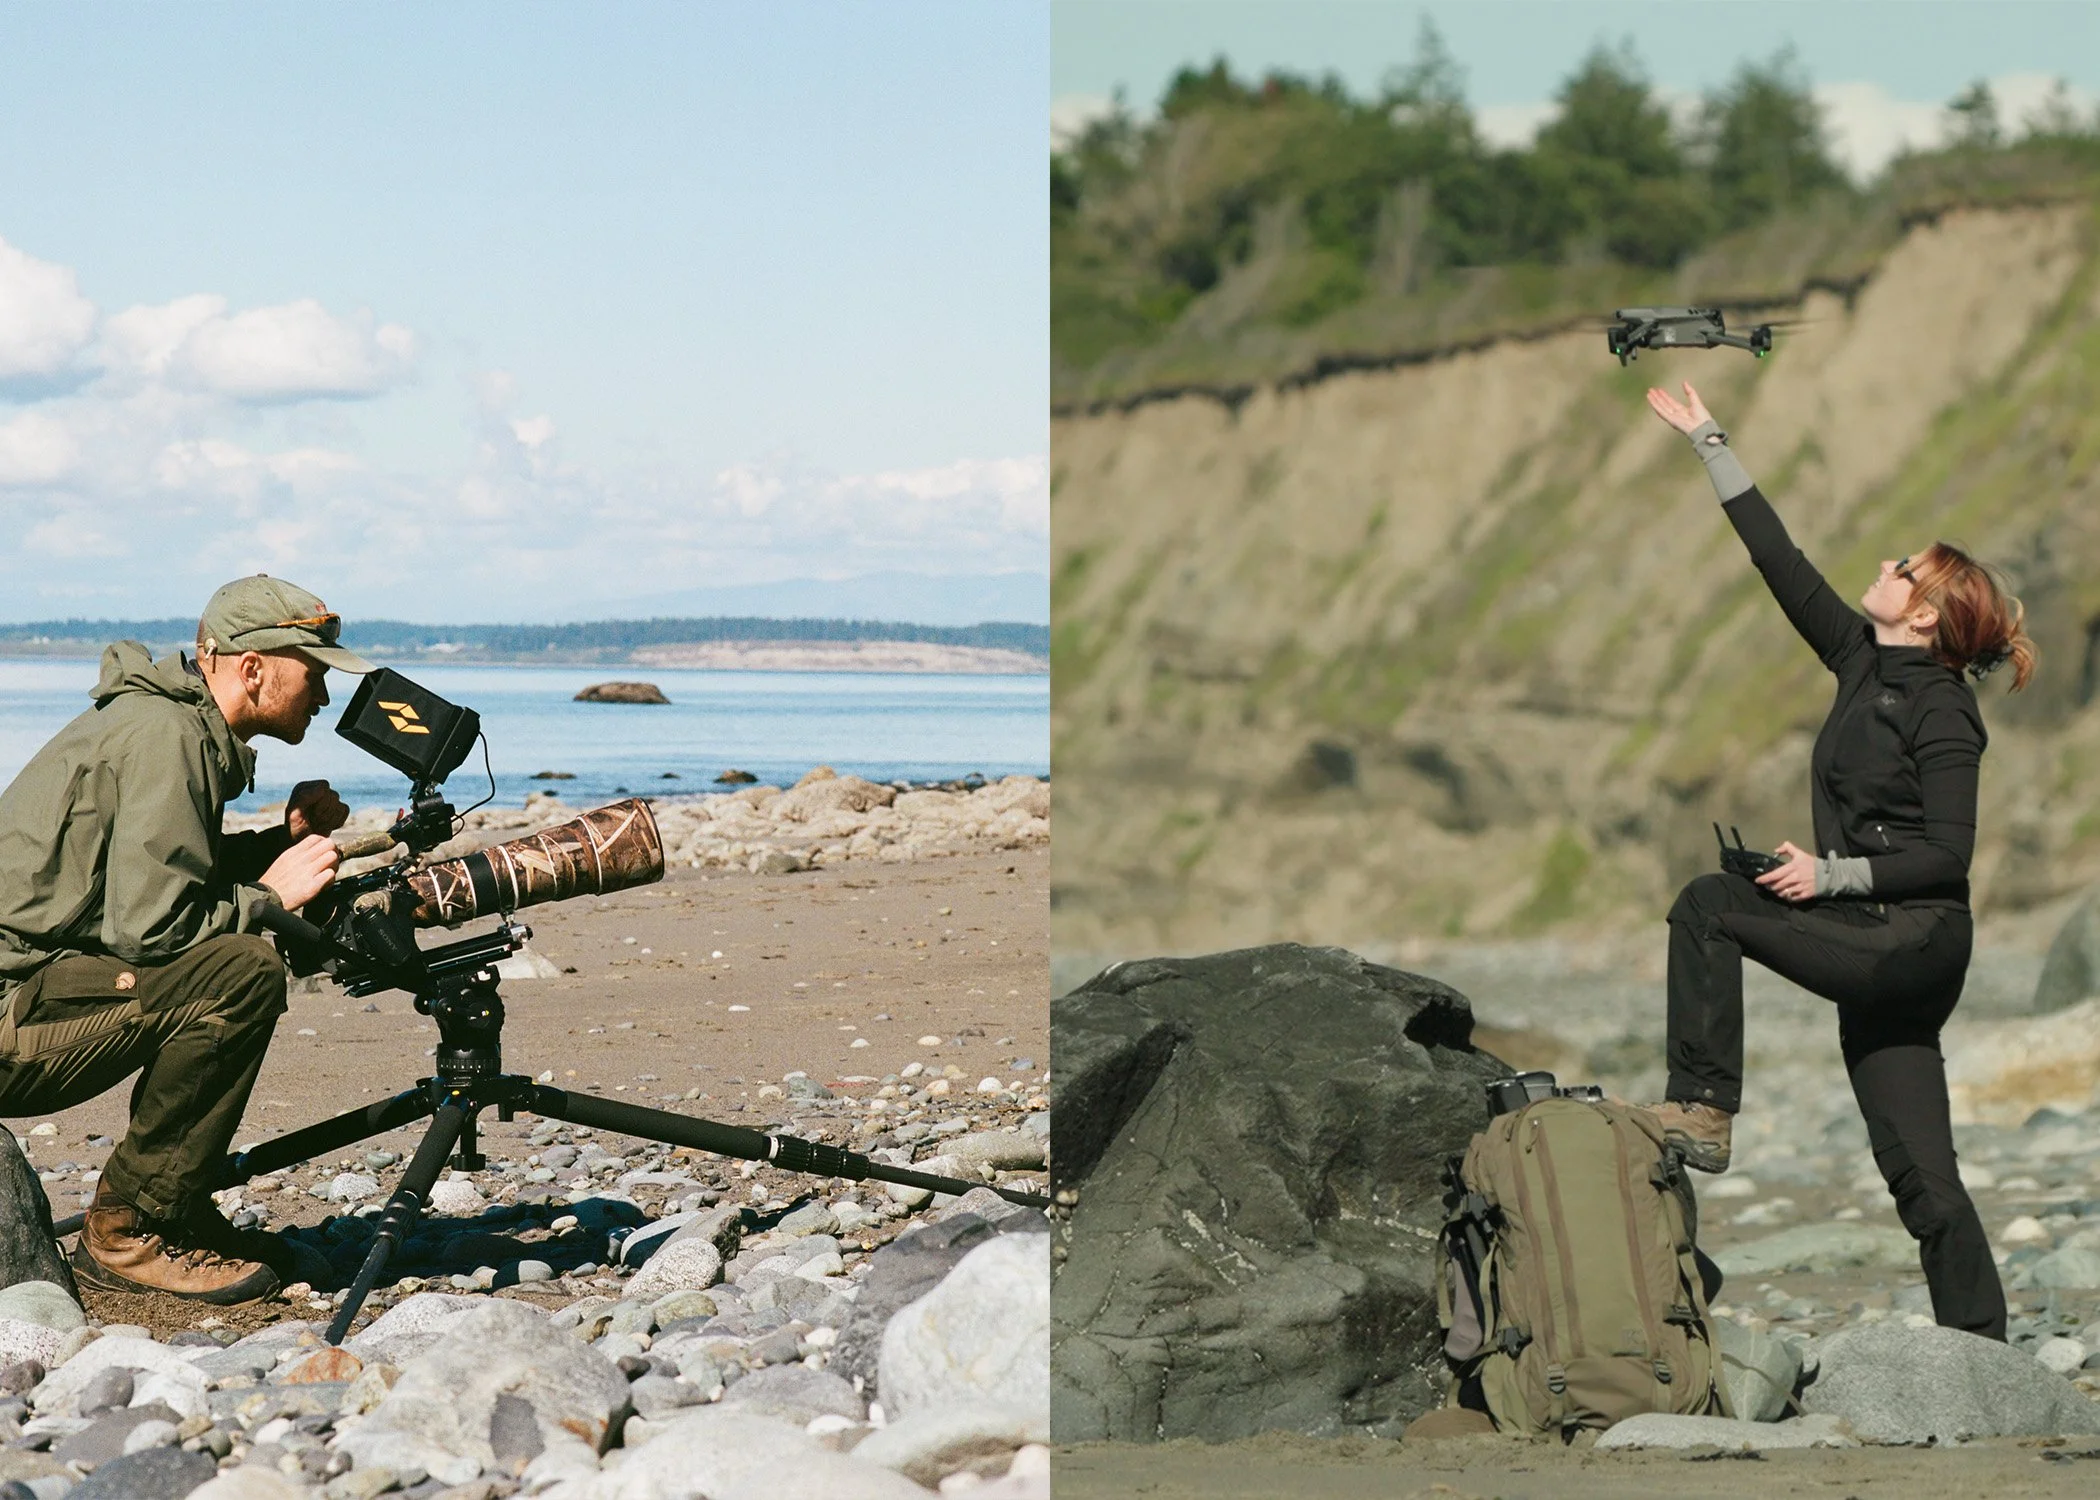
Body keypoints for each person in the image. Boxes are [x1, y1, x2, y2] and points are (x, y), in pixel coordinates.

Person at [1640, 382, 2035, 1343]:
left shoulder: (1946, 711)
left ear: (1929, 616)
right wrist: (1709, 442)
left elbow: (1948, 857)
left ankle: (1702, 1110)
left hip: (1914, 940)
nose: (1888, 565)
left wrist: (1829, 877)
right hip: (1872, 942)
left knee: (1706, 905)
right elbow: (1782, 563)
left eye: (1908, 568)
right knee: (1920, 1176)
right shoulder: (1863, 658)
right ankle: (1985, 1351)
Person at [0, 576, 375, 1304]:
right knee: (241, 971)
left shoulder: (169, 724)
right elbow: (151, 928)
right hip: (11, 1017)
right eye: (315, 673)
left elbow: (147, 880)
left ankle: (175, 1206)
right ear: (253, 666)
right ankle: (128, 1234)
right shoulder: (166, 736)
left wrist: (278, 841)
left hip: (28, 991)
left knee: (235, 958)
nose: (324, 698)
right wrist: (269, 898)